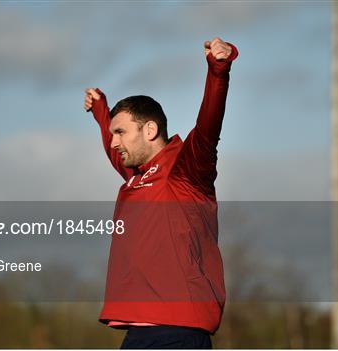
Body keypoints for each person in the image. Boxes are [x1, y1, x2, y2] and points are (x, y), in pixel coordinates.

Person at [84, 37, 238, 349]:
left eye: (121, 133)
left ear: (150, 131)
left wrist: (218, 71)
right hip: (138, 334)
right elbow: (116, 152)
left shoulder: (186, 172)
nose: (114, 142)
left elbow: (208, 128)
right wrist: (101, 110)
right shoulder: (138, 177)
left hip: (177, 332)